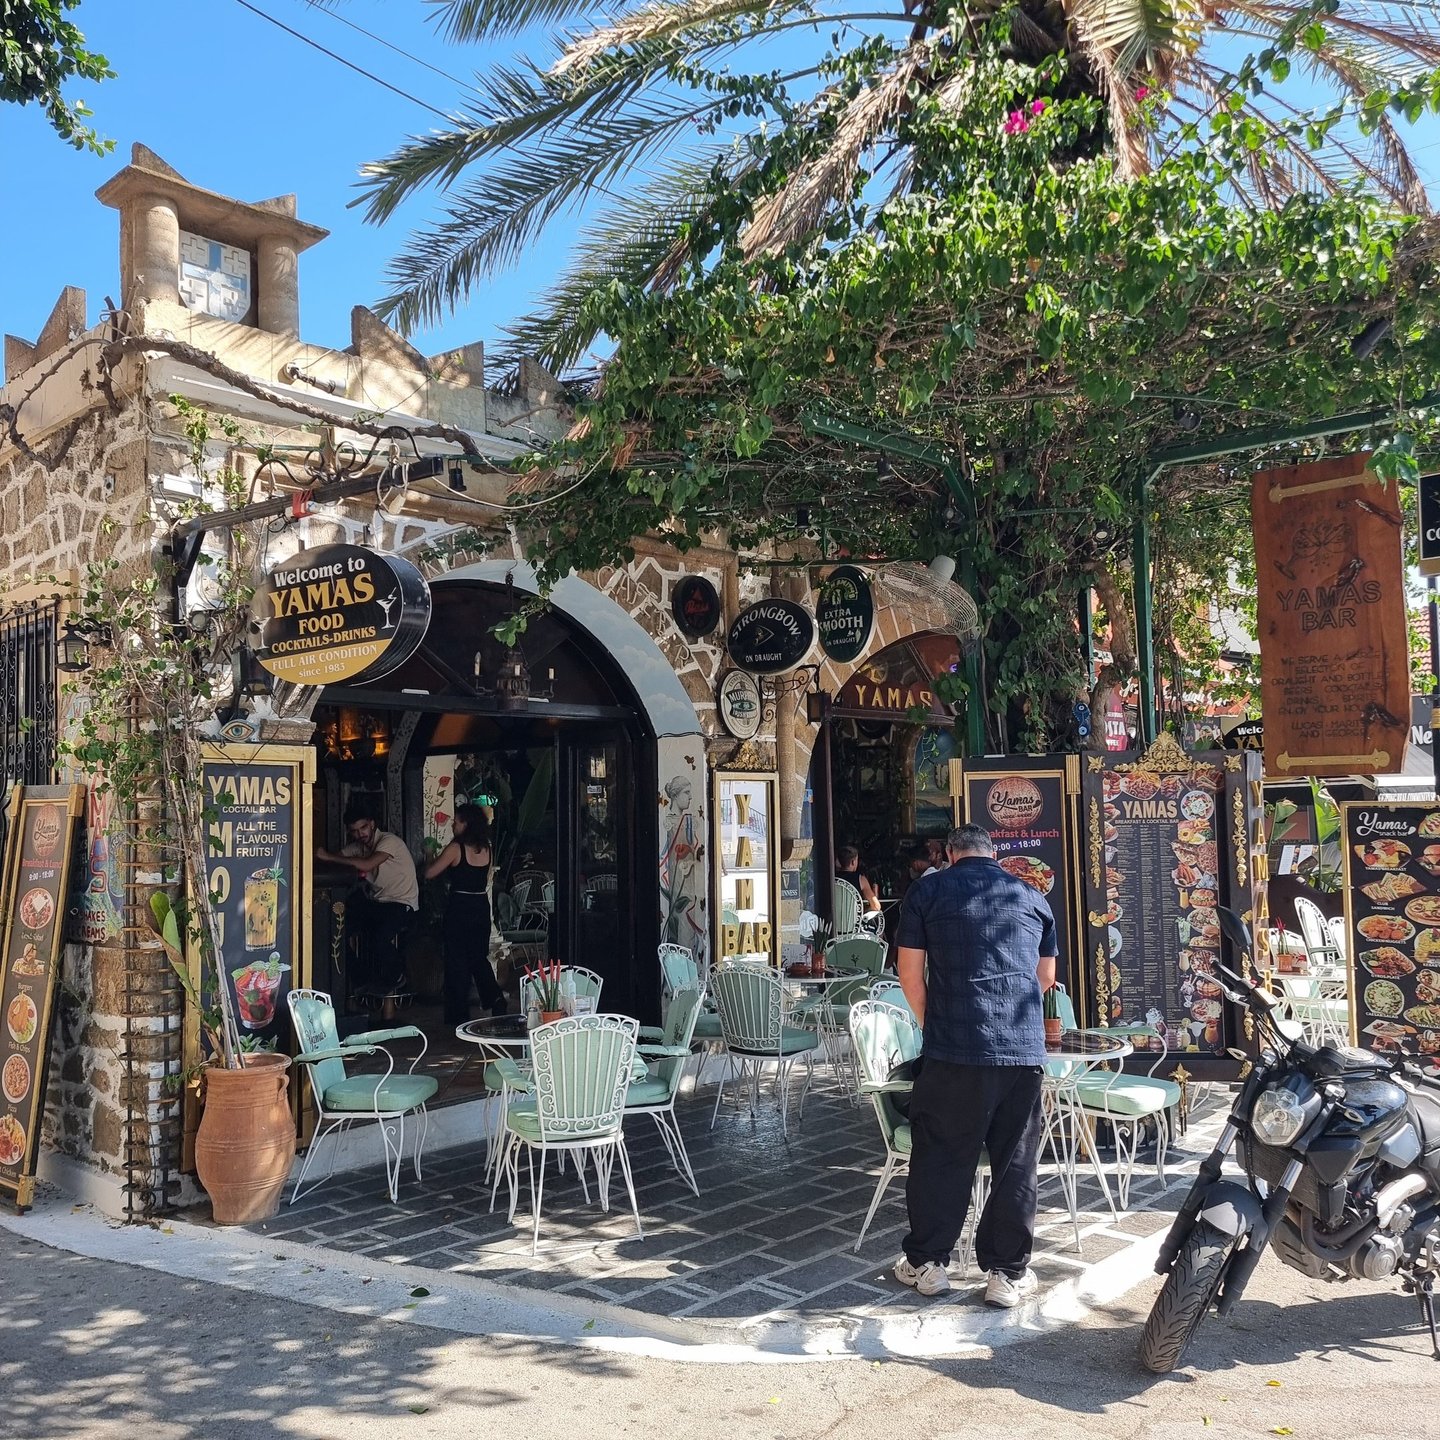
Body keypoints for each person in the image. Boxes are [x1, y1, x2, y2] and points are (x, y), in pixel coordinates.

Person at [892, 822, 1057, 1307]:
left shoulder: (928, 892)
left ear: (949, 853)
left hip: (955, 1047)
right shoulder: (1031, 896)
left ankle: (929, 1265)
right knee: (1015, 1161)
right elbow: (1044, 977)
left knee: (941, 1154)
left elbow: (909, 974)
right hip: (1022, 1049)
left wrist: (934, 1025)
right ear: (994, 853)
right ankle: (1005, 1275)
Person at [317, 802, 419, 990]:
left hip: (402, 904)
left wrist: (328, 857)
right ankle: (361, 979)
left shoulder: (390, 841)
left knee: (378, 938)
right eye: (354, 831)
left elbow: (366, 865)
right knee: (335, 932)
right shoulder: (358, 848)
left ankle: (396, 977)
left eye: (363, 827)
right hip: (378, 905)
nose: (360, 834)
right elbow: (337, 861)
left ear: (372, 824)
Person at [425, 803, 506, 1025]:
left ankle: (457, 1013)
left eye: (457, 821)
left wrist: (430, 854)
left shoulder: (456, 848)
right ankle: (495, 997)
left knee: (457, 959)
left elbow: (431, 873)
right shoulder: (486, 847)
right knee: (478, 958)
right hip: (480, 904)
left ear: (466, 823)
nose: (453, 824)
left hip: (460, 905)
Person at [835, 845, 882, 915]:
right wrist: (863, 911)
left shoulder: (832, 878)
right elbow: (876, 906)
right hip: (854, 923)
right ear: (853, 862)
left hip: (832, 922)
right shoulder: (861, 879)